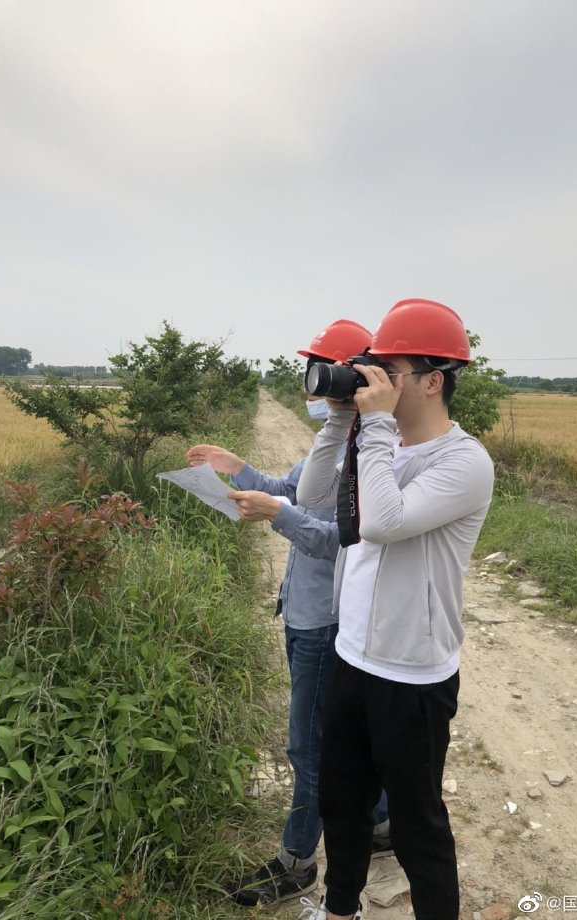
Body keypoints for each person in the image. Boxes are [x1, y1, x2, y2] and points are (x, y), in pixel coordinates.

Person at [295, 299, 495, 920]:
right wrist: (340, 420)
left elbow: (382, 521)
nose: (375, 379)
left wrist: (376, 426)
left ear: (434, 380)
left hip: (411, 674)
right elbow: (311, 494)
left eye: (391, 369)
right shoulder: (375, 441)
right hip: (351, 654)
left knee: (416, 827)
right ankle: (341, 911)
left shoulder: (465, 462)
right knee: (341, 804)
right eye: (371, 367)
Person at [187, 319, 390, 908]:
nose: (313, 386)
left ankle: (297, 862)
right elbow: (291, 490)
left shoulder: (369, 453)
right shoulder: (333, 440)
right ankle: (382, 825)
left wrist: (275, 513)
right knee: (347, 737)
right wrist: (238, 468)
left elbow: (339, 540)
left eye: (322, 373)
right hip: (303, 612)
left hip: (325, 623)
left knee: (309, 748)